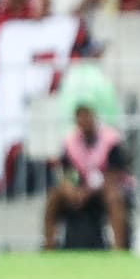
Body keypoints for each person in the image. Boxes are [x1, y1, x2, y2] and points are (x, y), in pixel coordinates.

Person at [43, 104, 128, 250]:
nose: (84, 121)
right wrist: (71, 189)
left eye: (86, 116)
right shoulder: (71, 142)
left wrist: (90, 191)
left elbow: (115, 173)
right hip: (79, 189)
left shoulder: (110, 139)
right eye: (80, 118)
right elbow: (67, 172)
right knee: (54, 197)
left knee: (114, 197)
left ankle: (118, 247)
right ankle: (48, 246)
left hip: (102, 189)